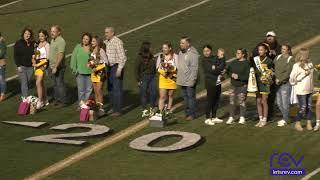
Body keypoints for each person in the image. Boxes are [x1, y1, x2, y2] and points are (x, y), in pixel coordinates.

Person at [289, 48, 314, 131]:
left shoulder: (310, 64)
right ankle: (297, 123)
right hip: (301, 90)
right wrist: (296, 82)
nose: (308, 56)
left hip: (310, 89)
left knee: (309, 107)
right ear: (302, 55)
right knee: (302, 107)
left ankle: (309, 123)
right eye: (306, 54)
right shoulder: (296, 65)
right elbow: (292, 78)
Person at [104, 27, 127, 116]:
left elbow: (123, 57)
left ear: (112, 33)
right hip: (109, 67)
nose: (105, 34)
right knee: (110, 89)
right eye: (105, 32)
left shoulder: (117, 42)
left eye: (107, 32)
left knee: (117, 89)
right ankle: (113, 107)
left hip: (116, 67)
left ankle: (118, 110)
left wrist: (119, 69)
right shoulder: (106, 42)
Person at [202, 45, 226, 125]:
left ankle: (214, 117)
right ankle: (207, 118)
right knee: (210, 100)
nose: (206, 52)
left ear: (211, 51)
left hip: (218, 82)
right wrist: (220, 69)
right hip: (210, 83)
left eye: (207, 51)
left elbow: (222, 64)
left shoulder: (214, 57)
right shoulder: (204, 60)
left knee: (216, 100)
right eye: (204, 51)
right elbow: (213, 71)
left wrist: (222, 57)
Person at [176, 36, 199, 121]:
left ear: (188, 44)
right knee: (185, 98)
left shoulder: (193, 54)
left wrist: (192, 81)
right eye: (180, 43)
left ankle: (192, 115)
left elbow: (194, 69)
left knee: (190, 98)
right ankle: (187, 113)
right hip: (182, 80)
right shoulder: (181, 52)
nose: (180, 44)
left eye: (182, 43)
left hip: (189, 80)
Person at [226, 48, 251, 125]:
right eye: (236, 53)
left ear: (243, 54)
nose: (237, 54)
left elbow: (247, 76)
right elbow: (228, 71)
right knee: (232, 101)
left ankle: (242, 117)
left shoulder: (247, 63)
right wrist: (231, 75)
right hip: (233, 85)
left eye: (239, 53)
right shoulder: (233, 62)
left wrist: (239, 76)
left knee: (241, 101)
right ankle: (231, 117)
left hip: (242, 85)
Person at [252, 43, 274, 127]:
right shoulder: (255, 60)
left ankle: (264, 120)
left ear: (265, 51)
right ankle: (260, 119)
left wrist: (268, 76)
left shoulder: (269, 61)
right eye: (259, 50)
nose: (260, 51)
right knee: (258, 101)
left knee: (264, 101)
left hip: (265, 84)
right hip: (257, 83)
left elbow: (272, 71)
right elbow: (253, 70)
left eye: (261, 50)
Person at [274, 44, 294, 127]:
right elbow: (273, 67)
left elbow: (288, 72)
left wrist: (280, 80)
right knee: (279, 103)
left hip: (285, 84)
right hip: (277, 83)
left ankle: (285, 119)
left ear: (288, 50)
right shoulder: (278, 57)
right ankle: (286, 117)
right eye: (282, 49)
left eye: (285, 49)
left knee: (285, 102)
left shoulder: (290, 59)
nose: (283, 50)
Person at [70, 32, 92, 106]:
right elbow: (73, 58)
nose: (85, 40)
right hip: (80, 73)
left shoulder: (92, 48)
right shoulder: (78, 47)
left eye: (87, 39)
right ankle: (81, 105)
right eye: (84, 39)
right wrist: (74, 69)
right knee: (81, 91)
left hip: (90, 73)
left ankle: (86, 105)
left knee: (88, 90)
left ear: (90, 40)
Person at [156, 41, 178, 115]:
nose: (164, 49)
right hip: (163, 79)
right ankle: (160, 112)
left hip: (172, 79)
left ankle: (168, 109)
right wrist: (163, 72)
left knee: (170, 95)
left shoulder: (175, 56)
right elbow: (157, 68)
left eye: (165, 48)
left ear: (170, 48)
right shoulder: (161, 56)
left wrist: (169, 70)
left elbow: (178, 68)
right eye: (163, 48)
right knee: (162, 96)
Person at [135, 41, 157, 112]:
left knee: (153, 92)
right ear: (146, 48)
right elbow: (136, 69)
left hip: (152, 76)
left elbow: (154, 66)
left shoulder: (151, 56)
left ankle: (153, 106)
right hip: (143, 77)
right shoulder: (139, 57)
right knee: (143, 93)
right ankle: (144, 109)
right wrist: (138, 80)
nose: (151, 48)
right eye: (150, 47)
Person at [14, 27, 36, 98]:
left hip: (30, 67)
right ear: (23, 34)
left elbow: (39, 46)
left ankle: (24, 96)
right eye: (25, 33)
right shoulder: (18, 43)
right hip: (21, 67)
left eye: (29, 34)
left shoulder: (33, 43)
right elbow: (16, 55)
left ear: (31, 35)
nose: (27, 35)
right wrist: (18, 66)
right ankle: (25, 98)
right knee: (24, 83)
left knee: (27, 82)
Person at [89, 35, 108, 116]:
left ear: (97, 42)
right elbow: (91, 62)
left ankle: (101, 108)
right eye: (92, 41)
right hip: (93, 74)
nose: (91, 42)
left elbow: (106, 62)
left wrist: (97, 68)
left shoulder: (101, 51)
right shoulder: (92, 51)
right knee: (96, 91)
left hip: (100, 73)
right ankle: (97, 108)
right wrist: (89, 64)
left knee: (99, 90)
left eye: (93, 41)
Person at [49, 25, 67, 107]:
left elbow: (61, 55)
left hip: (59, 67)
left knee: (60, 84)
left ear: (58, 32)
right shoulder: (53, 40)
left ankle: (62, 101)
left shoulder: (61, 41)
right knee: (55, 84)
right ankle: (57, 100)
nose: (51, 33)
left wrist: (56, 66)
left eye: (53, 31)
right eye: (51, 31)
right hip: (52, 66)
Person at [32, 29, 50, 109]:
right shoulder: (37, 44)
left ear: (46, 36)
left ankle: (40, 101)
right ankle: (45, 99)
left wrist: (38, 64)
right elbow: (35, 55)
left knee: (38, 82)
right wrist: (33, 60)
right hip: (36, 66)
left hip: (43, 66)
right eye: (39, 36)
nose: (41, 37)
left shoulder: (47, 45)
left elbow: (47, 59)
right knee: (41, 83)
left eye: (42, 36)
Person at [0, 32, 7, 102]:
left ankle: (2, 94)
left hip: (1, 63)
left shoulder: (1, 41)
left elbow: (2, 53)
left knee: (1, 79)